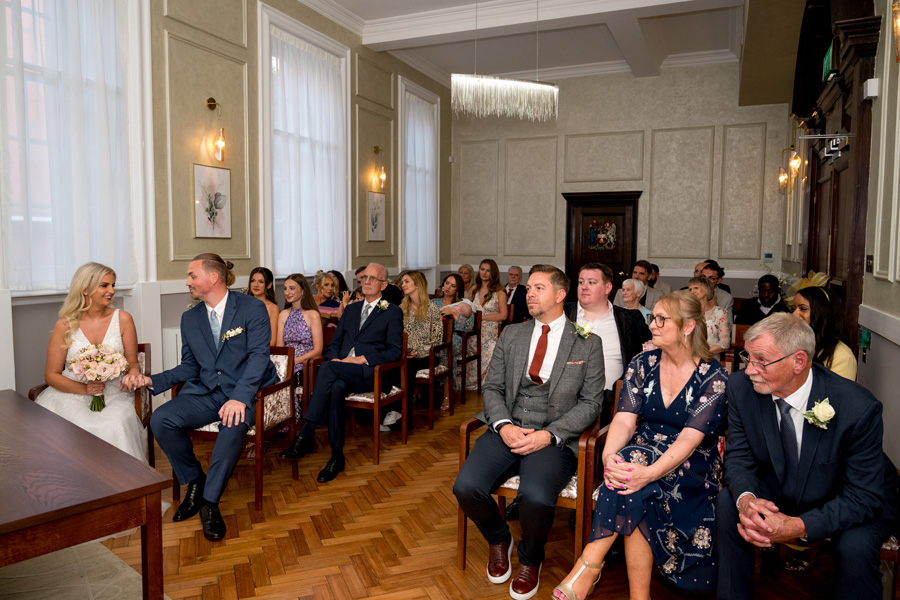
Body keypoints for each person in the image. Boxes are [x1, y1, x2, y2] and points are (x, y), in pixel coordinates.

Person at [553, 291, 728, 599]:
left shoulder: (712, 376)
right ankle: (637, 596)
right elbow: (623, 419)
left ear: (688, 326)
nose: (653, 325)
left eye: (662, 319)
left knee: (637, 474)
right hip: (642, 454)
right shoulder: (643, 362)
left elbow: (690, 438)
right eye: (653, 317)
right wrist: (609, 457)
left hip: (692, 463)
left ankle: (590, 562)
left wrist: (647, 473)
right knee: (631, 476)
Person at [716, 313, 900, 599]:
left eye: (760, 360)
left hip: (847, 496)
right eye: (747, 357)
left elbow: (863, 497)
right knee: (729, 503)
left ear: (798, 361)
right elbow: (740, 458)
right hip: (781, 484)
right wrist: (748, 500)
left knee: (855, 546)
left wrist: (796, 526)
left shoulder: (857, 407)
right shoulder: (741, 388)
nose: (749, 369)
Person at [453, 265, 604, 600]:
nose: (530, 294)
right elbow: (491, 387)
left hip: (553, 436)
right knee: (465, 487)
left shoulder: (587, 343)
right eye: (530, 288)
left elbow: (592, 403)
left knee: (534, 497)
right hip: (507, 426)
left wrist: (549, 435)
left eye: (538, 288)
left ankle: (531, 559)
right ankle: (498, 538)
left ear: (560, 296)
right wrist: (503, 425)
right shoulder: (513, 334)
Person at [124, 253, 279, 541]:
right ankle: (195, 480)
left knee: (233, 423)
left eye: (192, 276)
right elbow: (189, 366)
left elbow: (259, 357)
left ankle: (209, 502)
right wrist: (152, 380)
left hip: (249, 391)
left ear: (213, 277)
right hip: (208, 391)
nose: (187, 282)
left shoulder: (251, 308)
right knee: (162, 419)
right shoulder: (190, 318)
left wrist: (240, 398)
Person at [279, 263, 403, 483]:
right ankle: (336, 456)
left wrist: (361, 359)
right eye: (364, 278)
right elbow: (334, 343)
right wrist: (335, 358)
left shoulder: (392, 311)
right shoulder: (352, 309)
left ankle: (306, 435)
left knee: (327, 368)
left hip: (369, 372)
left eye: (372, 279)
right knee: (335, 387)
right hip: (341, 370)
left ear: (384, 284)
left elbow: (395, 351)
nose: (366, 282)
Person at [36, 262, 148, 463]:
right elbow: (51, 374)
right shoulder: (65, 325)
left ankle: (123, 485)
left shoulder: (123, 319)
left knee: (115, 423)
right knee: (79, 424)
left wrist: (133, 373)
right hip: (71, 393)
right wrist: (84, 389)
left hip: (114, 392)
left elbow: (133, 363)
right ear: (85, 289)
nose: (112, 291)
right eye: (104, 285)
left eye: (113, 285)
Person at [564, 263, 651, 421]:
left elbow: (646, 358)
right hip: (566, 402)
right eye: (581, 282)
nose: (584, 287)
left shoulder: (630, 319)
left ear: (608, 287)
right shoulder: (563, 314)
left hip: (613, 405)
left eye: (591, 282)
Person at [276, 274, 323, 421]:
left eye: (292, 288)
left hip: (305, 363)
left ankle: (292, 419)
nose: (287, 292)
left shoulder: (312, 314)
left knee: (290, 375)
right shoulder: (283, 314)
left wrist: (295, 361)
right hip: (286, 361)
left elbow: (318, 350)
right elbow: (279, 346)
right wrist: (285, 363)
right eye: (285, 289)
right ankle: (274, 421)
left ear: (302, 291)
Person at [398, 270, 443, 412]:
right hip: (407, 353)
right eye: (402, 282)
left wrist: (418, 351)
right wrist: (406, 351)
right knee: (395, 365)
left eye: (406, 282)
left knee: (408, 367)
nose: (402, 285)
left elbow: (437, 340)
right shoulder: (402, 308)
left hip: (429, 355)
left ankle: (406, 413)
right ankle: (395, 410)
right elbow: (398, 334)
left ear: (417, 285)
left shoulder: (432, 309)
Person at [790, 286, 856, 380]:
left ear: (822, 313)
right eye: (793, 308)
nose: (794, 314)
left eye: (803, 309)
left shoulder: (841, 356)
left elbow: (838, 393)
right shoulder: (793, 344)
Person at [431, 273, 475, 409]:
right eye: (447, 283)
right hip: (433, 339)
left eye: (453, 285)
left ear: (458, 289)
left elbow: (467, 328)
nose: (448, 287)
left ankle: (447, 396)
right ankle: (416, 393)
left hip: (455, 339)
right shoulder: (433, 303)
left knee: (445, 352)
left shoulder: (463, 305)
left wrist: (454, 313)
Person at [466, 259, 508, 390]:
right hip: (473, 333)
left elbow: (503, 315)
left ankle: (487, 385)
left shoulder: (499, 291)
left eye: (488, 270)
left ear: (493, 273)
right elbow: (467, 310)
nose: (484, 273)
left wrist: (481, 317)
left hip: (491, 334)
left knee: (491, 352)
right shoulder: (474, 289)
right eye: (482, 269)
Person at [688, 275, 730, 356]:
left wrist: (702, 354)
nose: (692, 292)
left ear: (707, 289)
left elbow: (725, 342)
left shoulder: (720, 313)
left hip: (710, 357)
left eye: (696, 288)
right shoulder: (687, 313)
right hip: (689, 357)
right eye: (690, 289)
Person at [248, 267, 279, 345]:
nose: (256, 285)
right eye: (253, 281)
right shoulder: (243, 304)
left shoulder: (273, 308)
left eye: (261, 282)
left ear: (269, 285)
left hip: (262, 352)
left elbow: (273, 341)